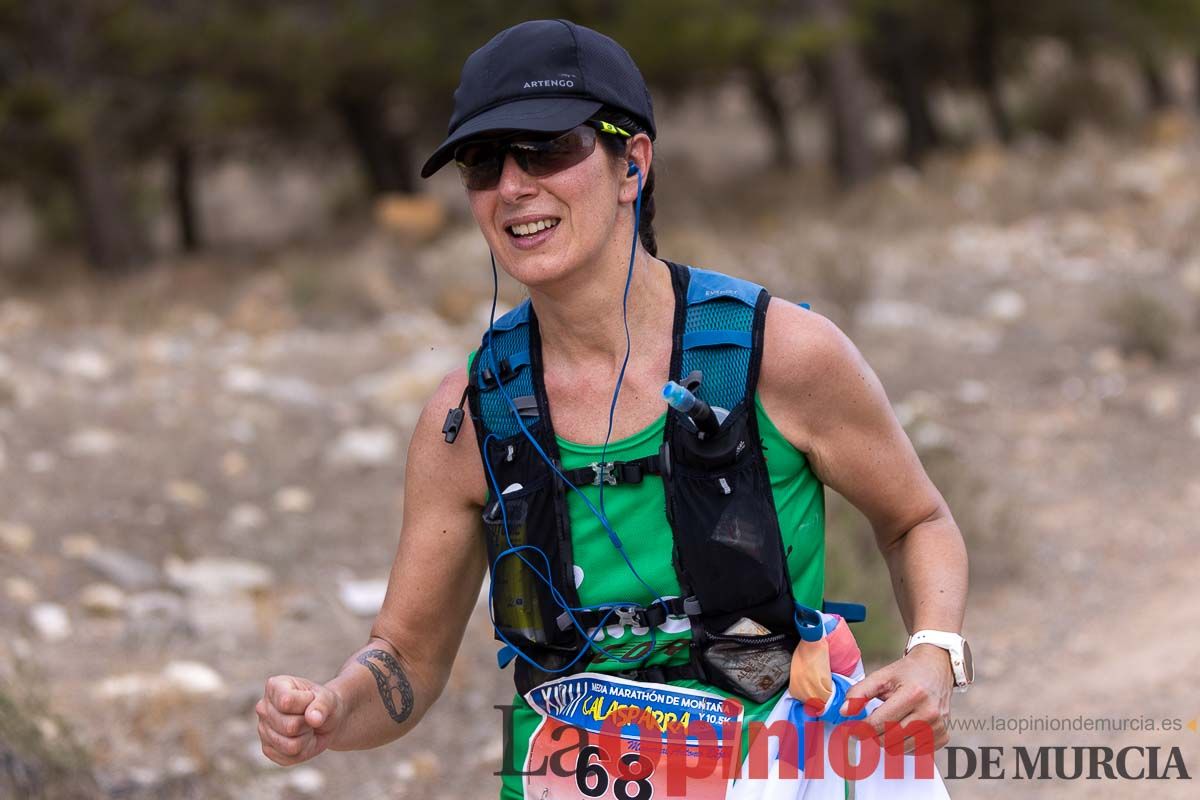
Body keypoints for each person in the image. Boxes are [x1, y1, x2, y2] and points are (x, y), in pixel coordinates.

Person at [256, 18, 970, 798]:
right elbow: (406, 660)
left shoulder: (777, 356)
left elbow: (917, 521)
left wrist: (934, 652)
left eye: (547, 147)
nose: (514, 185)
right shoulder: (470, 417)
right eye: (481, 162)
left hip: (783, 774)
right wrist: (331, 709)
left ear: (632, 162)